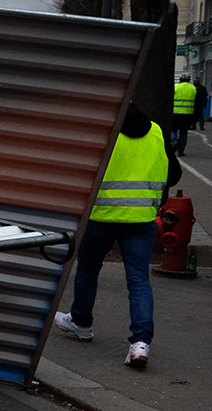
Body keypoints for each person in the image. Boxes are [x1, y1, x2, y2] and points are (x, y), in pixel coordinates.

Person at [54, 102, 180, 369]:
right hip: (142, 220)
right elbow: (175, 174)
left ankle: (81, 323)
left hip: (101, 217)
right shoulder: (156, 131)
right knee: (138, 281)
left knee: (88, 270)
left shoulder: (105, 131)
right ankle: (140, 344)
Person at [171, 73, 195, 155]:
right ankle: (181, 151)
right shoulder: (193, 89)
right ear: (189, 80)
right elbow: (197, 103)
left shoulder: (175, 87)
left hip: (175, 113)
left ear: (180, 79)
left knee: (173, 131)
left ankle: (173, 144)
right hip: (187, 114)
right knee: (183, 132)